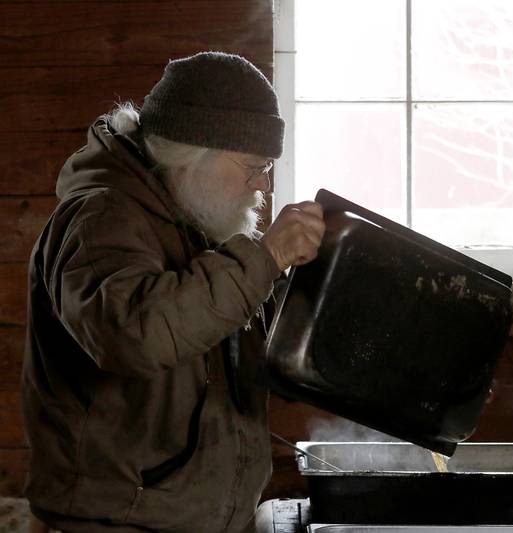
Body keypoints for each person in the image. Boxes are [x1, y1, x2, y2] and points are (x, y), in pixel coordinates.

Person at [21, 51, 325, 532]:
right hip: (117, 525)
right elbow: (134, 335)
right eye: (253, 165)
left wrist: (301, 287)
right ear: (191, 154)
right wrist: (263, 258)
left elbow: (223, 338)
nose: (263, 184)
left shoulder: (197, 219)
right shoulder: (99, 219)